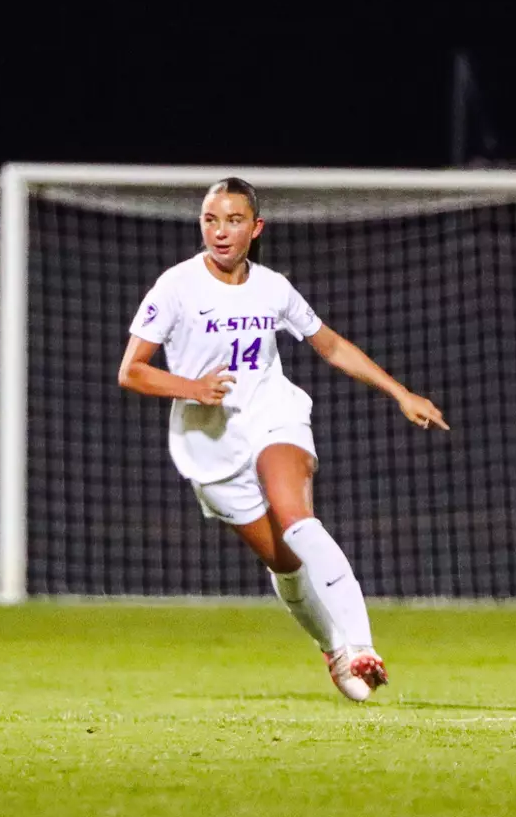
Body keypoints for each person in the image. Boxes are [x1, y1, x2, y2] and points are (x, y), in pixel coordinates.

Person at [117, 177, 449, 701]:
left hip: (272, 417)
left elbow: (331, 345)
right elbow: (132, 372)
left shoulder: (273, 288)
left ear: (256, 227)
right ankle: (333, 648)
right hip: (211, 447)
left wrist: (399, 392)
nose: (221, 232)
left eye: (233, 220)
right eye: (211, 219)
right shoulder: (175, 287)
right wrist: (192, 387)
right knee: (286, 563)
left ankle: (360, 647)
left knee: (296, 517)